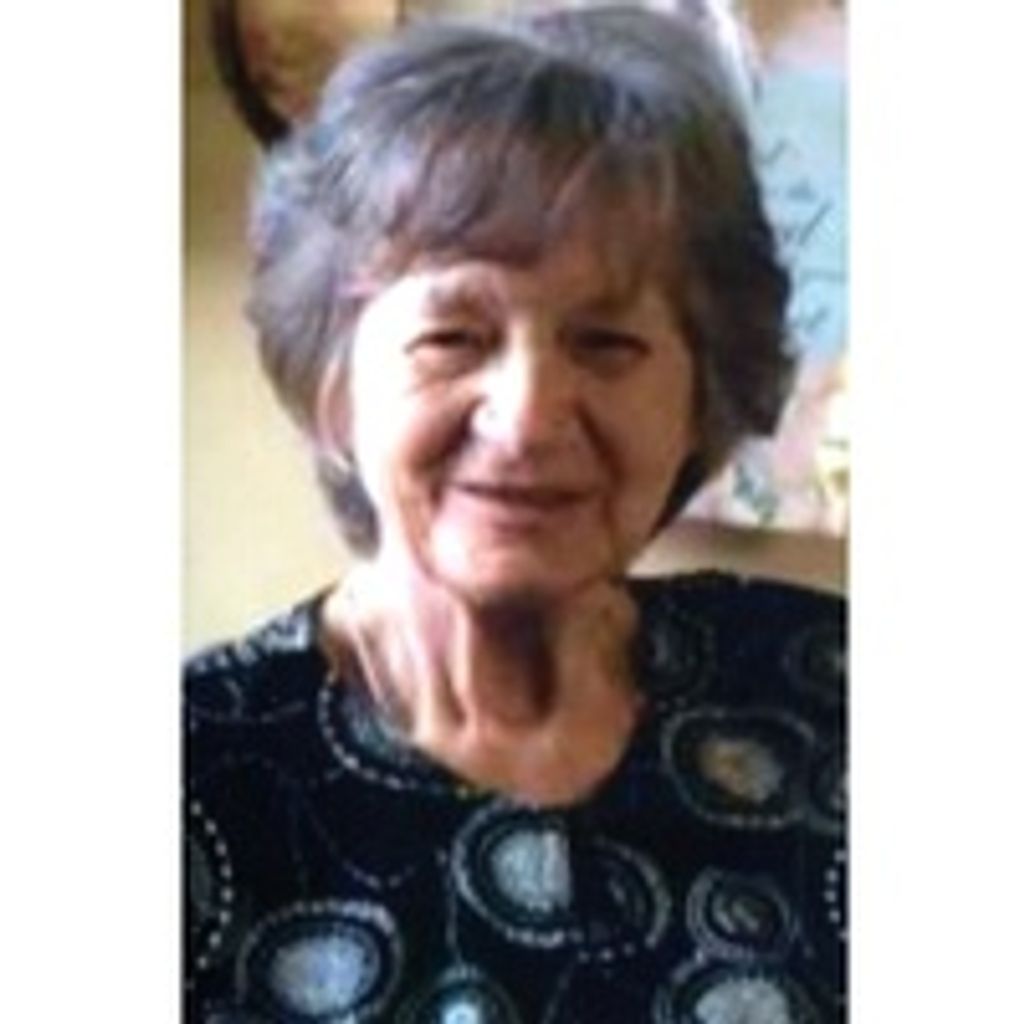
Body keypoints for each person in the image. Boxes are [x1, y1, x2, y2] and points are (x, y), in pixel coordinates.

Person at [186, 5, 846, 1021]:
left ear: (697, 403)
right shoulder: (188, 772)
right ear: (333, 389)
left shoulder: (831, 686)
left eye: (607, 343)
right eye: (453, 336)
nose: (529, 416)